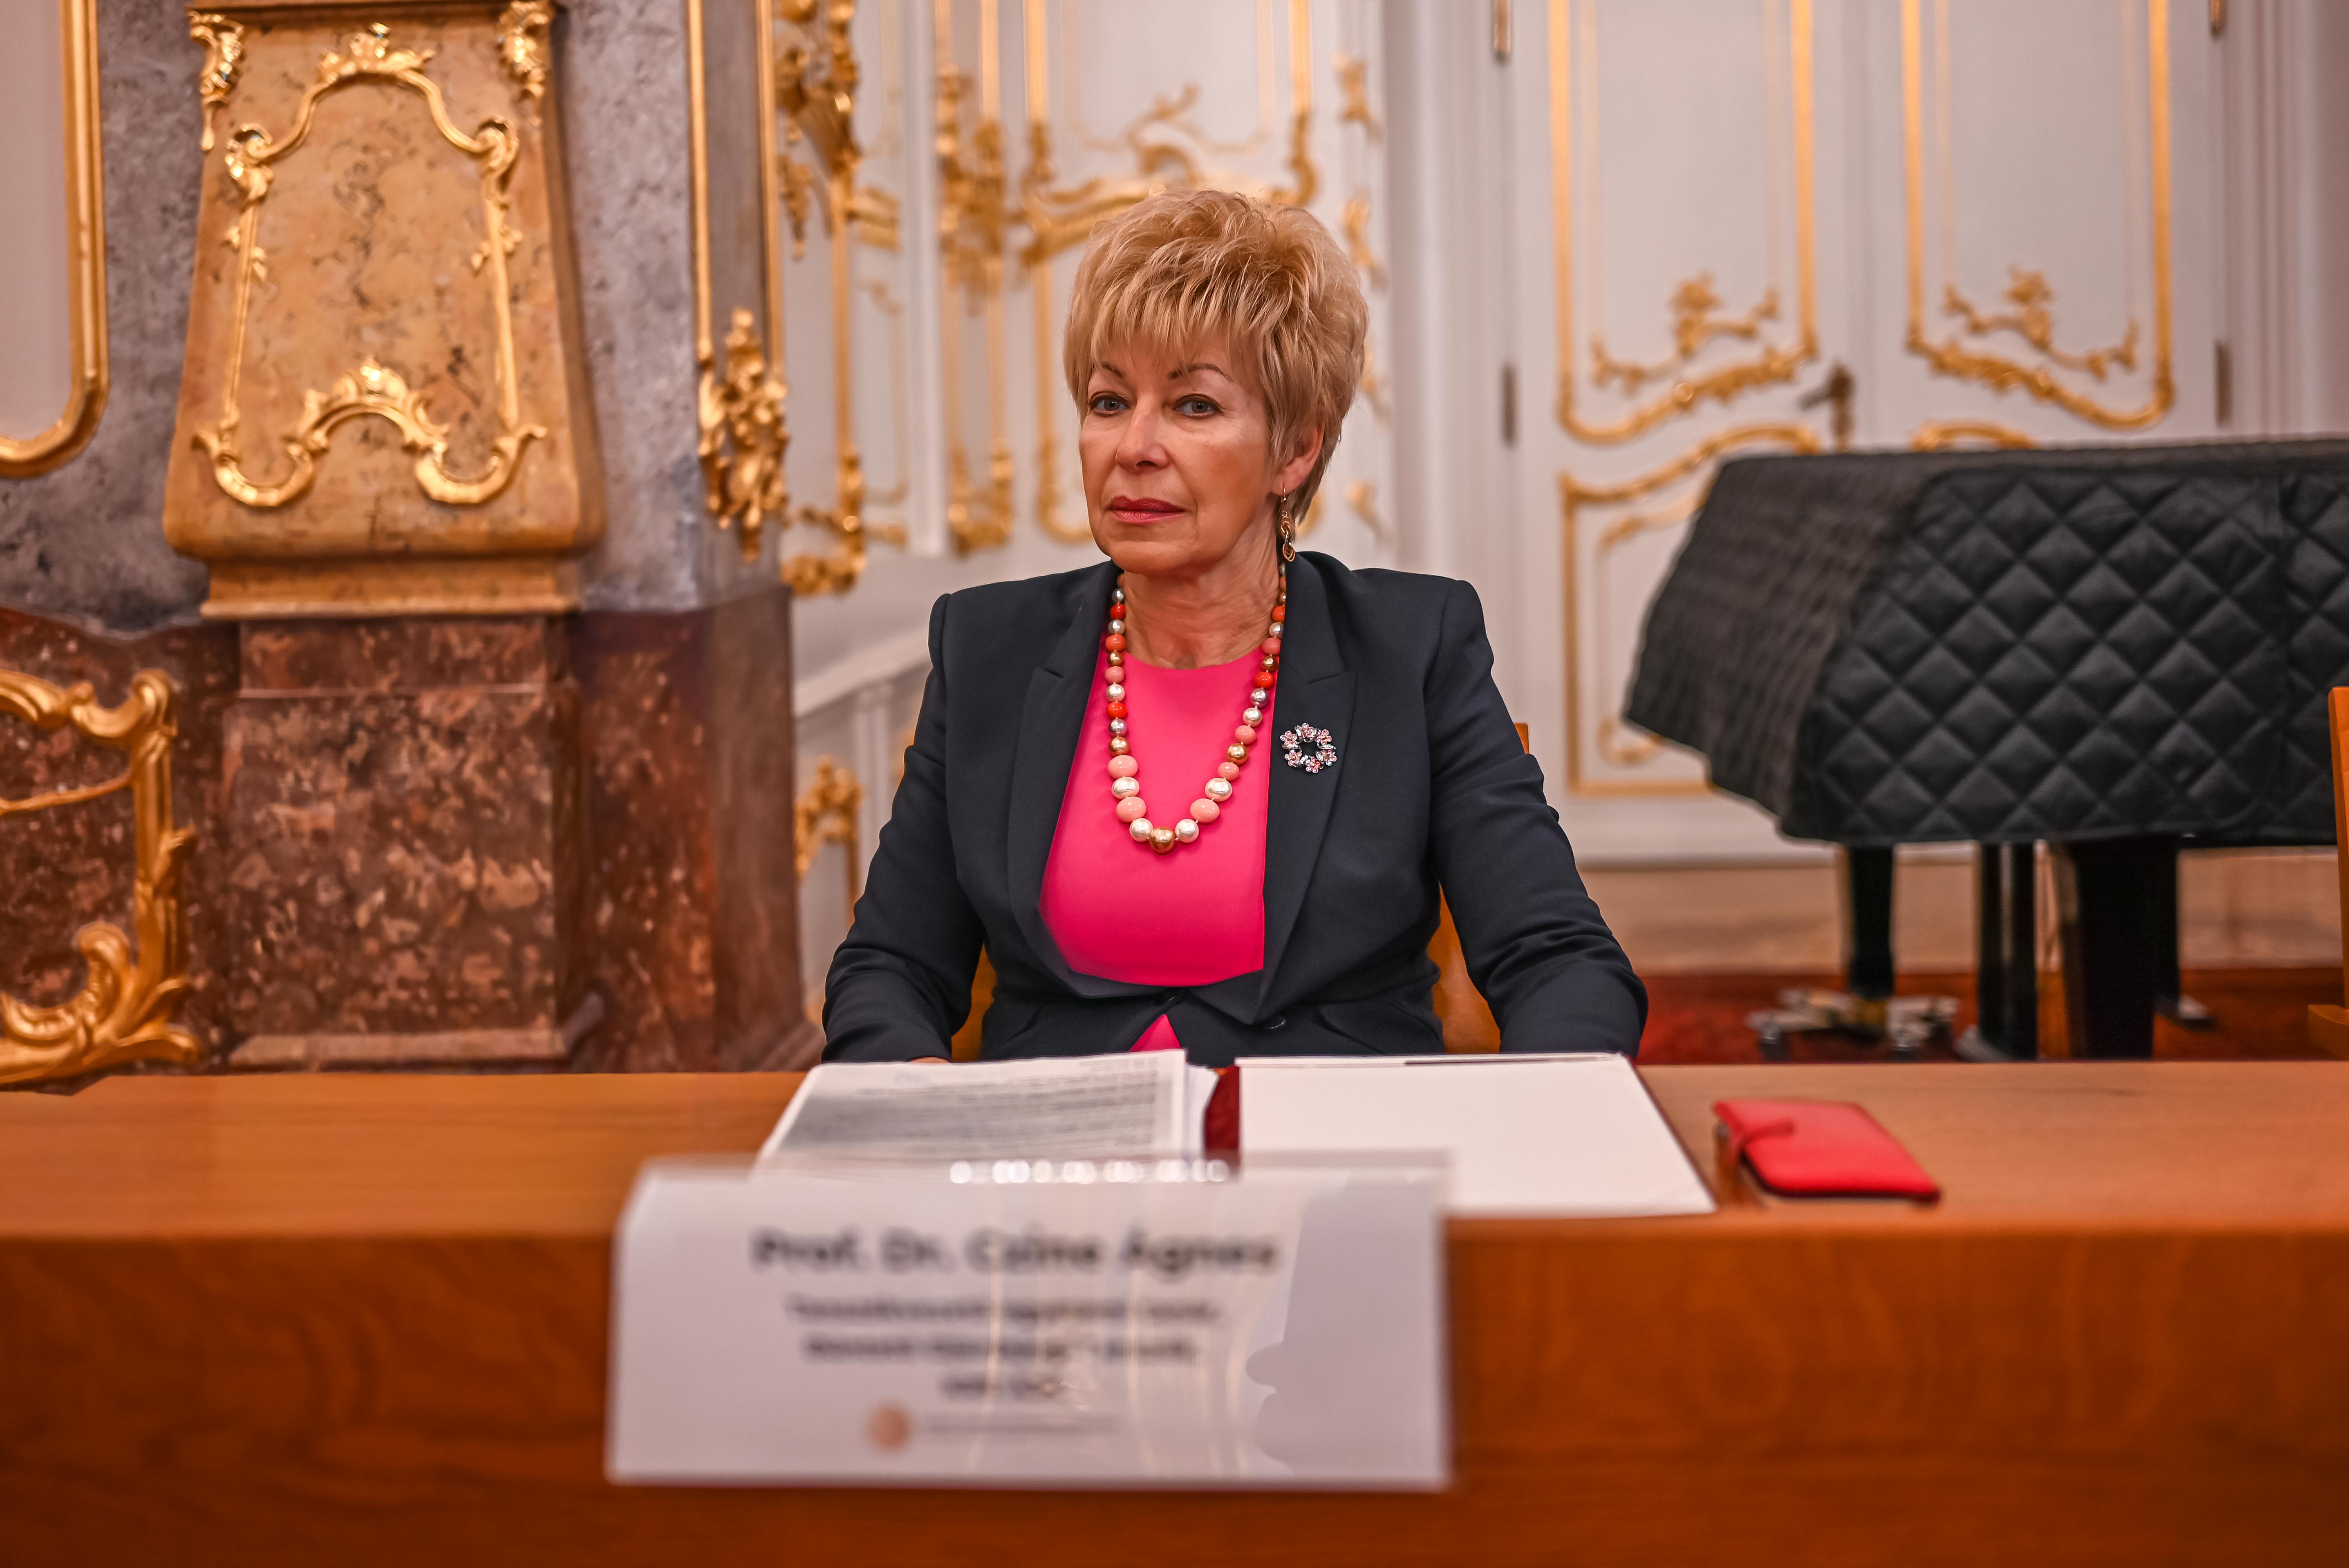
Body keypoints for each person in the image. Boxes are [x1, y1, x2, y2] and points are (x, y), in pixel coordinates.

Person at [822, 189, 1643, 1064]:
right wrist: (916, 1092)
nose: (1133, 446)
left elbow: (1562, 961)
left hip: (1328, 1130)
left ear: (1295, 449)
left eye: (1195, 406)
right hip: (1065, 1137)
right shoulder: (989, 646)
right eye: (1109, 401)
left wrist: (1545, 1108)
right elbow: (891, 966)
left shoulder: (1411, 649)